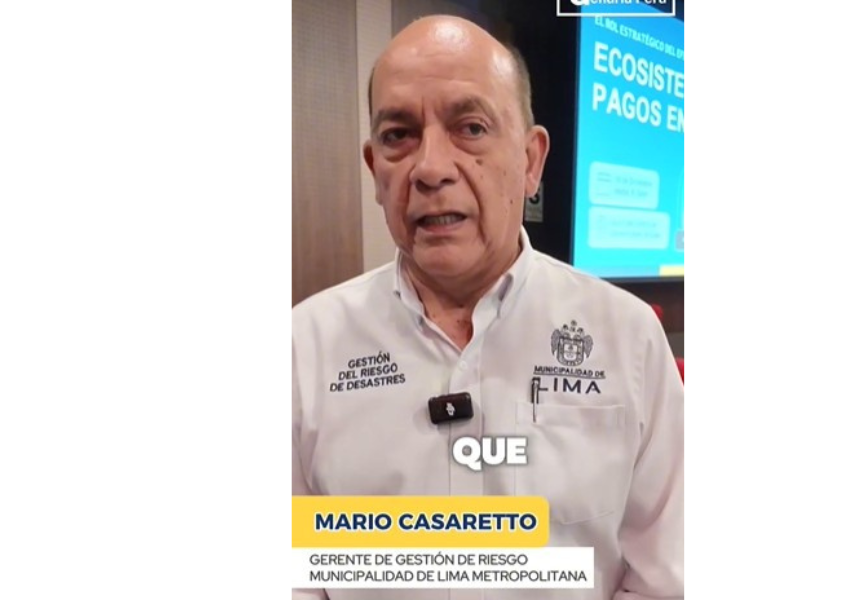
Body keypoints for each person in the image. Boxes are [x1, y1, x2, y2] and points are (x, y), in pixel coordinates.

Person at [292, 15, 683, 600]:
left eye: (470, 128)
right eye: (399, 135)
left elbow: (668, 572)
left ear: (531, 161)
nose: (430, 169)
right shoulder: (303, 348)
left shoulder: (628, 339)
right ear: (375, 170)